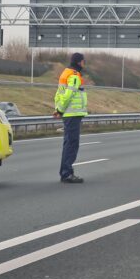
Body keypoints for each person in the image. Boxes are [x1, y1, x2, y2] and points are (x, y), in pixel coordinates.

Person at [54, 52, 88, 183]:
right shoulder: (74, 76)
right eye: (83, 61)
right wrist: (60, 110)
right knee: (72, 144)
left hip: (68, 113)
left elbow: (59, 94)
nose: (84, 63)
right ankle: (67, 173)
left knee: (68, 143)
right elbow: (68, 95)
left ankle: (65, 172)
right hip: (72, 113)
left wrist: (58, 109)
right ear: (79, 62)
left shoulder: (66, 73)